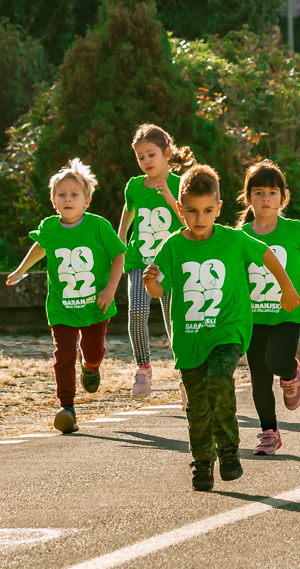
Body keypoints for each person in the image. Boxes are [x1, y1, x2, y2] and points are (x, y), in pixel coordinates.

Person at [144, 165, 300, 491]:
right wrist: (150, 284)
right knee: (198, 407)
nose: (199, 218)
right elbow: (160, 288)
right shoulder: (173, 246)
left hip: (229, 329)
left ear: (218, 207)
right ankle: (202, 463)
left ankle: (229, 451)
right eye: (191, 211)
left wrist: (287, 288)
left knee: (219, 379)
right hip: (189, 339)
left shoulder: (234, 239)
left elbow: (267, 255)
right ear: (180, 209)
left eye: (206, 211)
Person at [5, 159, 125, 435]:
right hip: (62, 307)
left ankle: (91, 368)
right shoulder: (50, 227)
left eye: (74, 195)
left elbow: (119, 256)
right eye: (62, 194)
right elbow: (40, 247)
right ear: (53, 200)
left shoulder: (98, 226)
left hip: (96, 305)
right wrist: (21, 269)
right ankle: (66, 407)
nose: (68, 199)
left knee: (93, 352)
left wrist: (110, 290)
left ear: (87, 201)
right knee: (64, 354)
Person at [239, 160, 300, 456]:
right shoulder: (239, 234)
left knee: (277, 362)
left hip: (287, 313)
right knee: (258, 377)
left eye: (272, 192)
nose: (265, 198)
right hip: (253, 317)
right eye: (258, 192)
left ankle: (291, 374)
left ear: (283, 198)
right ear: (247, 197)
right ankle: (269, 432)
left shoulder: (295, 230)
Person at [118, 124, 189, 398]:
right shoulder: (134, 186)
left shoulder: (180, 184)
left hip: (168, 265)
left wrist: (172, 199)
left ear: (167, 153)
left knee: (173, 323)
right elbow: (128, 214)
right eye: (140, 157)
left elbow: (189, 221)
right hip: (138, 261)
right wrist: (119, 245)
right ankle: (143, 367)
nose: (146, 161)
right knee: (136, 312)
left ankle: (185, 376)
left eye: (151, 154)